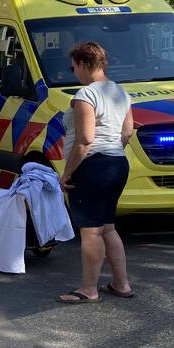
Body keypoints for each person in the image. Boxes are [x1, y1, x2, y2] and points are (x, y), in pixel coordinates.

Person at [57, 42, 134, 304]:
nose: (74, 72)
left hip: (92, 166)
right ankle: (121, 284)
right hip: (117, 163)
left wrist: (66, 174)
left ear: (83, 64)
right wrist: (112, 153)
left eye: (74, 66)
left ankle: (89, 289)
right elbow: (127, 133)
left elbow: (85, 139)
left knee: (91, 231)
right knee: (109, 227)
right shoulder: (121, 92)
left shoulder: (85, 95)